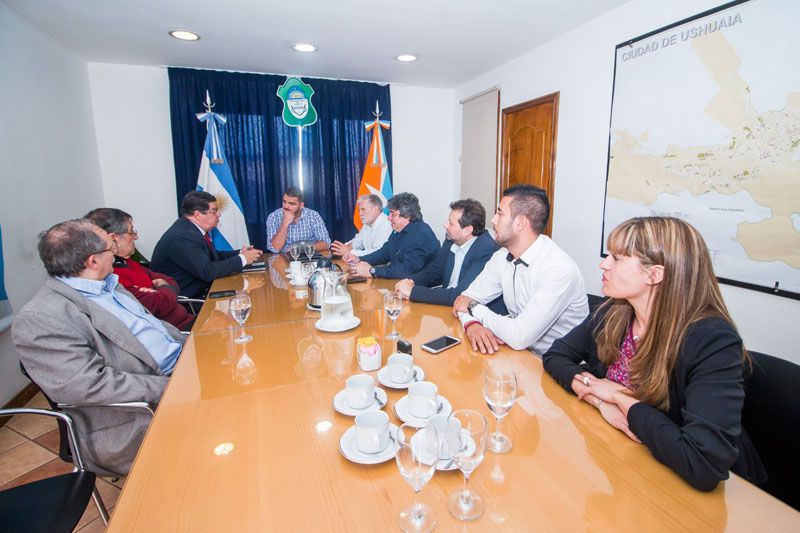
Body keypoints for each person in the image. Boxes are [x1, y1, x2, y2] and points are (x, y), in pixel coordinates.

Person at [542, 217, 766, 491]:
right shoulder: (614, 311)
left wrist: (618, 396)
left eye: (617, 258)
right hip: (629, 463)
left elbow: (703, 464)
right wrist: (600, 402)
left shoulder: (711, 341)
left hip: (694, 489)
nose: (604, 264)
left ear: (655, 274)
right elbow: (555, 356)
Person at [12, 219, 186, 476]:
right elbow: (91, 386)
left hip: (181, 369)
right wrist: (176, 386)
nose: (116, 250)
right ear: (93, 261)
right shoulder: (40, 318)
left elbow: (156, 328)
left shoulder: (109, 285)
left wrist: (195, 347)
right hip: (136, 416)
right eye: (110, 246)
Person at [453, 185, 588, 355]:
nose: (493, 220)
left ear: (520, 223)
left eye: (500, 213)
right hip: (516, 352)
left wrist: (473, 307)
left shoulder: (558, 269)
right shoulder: (502, 256)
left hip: (556, 364)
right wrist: (472, 324)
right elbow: (461, 301)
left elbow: (518, 337)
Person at [85, 208, 195, 330]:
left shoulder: (128, 262)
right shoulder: (111, 276)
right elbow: (157, 305)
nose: (136, 236)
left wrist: (161, 288)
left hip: (189, 321)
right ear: (115, 238)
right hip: (177, 334)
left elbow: (169, 280)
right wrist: (163, 288)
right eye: (131, 231)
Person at [395, 199, 503, 311]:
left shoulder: (486, 250)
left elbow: (461, 296)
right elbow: (435, 272)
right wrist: (411, 281)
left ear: (467, 230)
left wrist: (413, 292)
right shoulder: (451, 240)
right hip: (447, 308)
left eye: (451, 223)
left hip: (473, 316)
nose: (445, 225)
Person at [150, 191, 262, 298]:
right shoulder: (183, 236)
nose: (219, 214)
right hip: (191, 301)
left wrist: (240, 253)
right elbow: (207, 271)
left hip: (205, 289)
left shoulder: (190, 229)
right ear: (197, 214)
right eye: (214, 211)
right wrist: (243, 259)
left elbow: (214, 257)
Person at [345, 192, 439, 279]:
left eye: (392, 214)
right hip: (401, 283)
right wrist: (359, 259)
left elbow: (407, 270)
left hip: (421, 288)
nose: (389, 218)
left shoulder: (421, 234)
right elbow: (383, 253)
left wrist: (372, 271)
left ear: (407, 215)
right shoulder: (398, 230)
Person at [265, 186, 331, 253]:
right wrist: (284, 224)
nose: (285, 206)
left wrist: (300, 248)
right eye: (284, 202)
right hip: (283, 257)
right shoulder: (273, 216)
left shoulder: (313, 215)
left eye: (291, 203)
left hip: (309, 255)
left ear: (301, 205)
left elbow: (326, 243)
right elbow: (274, 248)